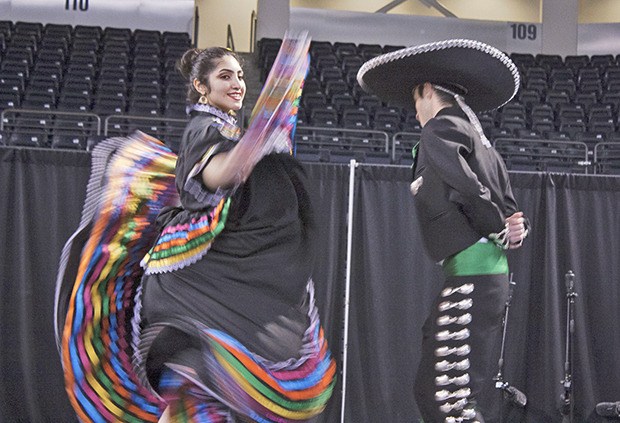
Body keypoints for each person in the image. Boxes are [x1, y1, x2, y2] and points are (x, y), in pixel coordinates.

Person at [55, 40, 336, 423]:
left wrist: (267, 132)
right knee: (195, 379)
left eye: (239, 75)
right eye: (225, 76)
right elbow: (218, 174)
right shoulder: (203, 129)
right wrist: (254, 145)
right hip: (197, 291)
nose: (237, 83)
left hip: (215, 286)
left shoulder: (230, 132)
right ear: (201, 87)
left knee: (199, 394)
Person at [357, 39, 529, 422]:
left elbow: (467, 186)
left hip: (474, 275)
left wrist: (498, 227)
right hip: (480, 277)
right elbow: (509, 206)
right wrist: (511, 228)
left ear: (428, 91)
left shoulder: (440, 129)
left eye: (415, 101)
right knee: (444, 392)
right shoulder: (479, 139)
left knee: (445, 399)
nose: (415, 111)